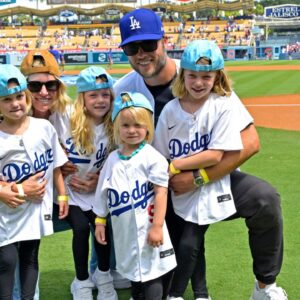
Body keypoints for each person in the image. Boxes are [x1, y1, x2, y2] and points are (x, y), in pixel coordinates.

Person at [114, 8, 287, 300]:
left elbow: (250, 141)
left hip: (211, 177)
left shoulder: (199, 71)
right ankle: (118, 269)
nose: (141, 54)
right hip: (161, 187)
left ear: (164, 41)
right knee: (162, 281)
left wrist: (199, 177)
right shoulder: (124, 89)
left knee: (265, 199)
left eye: (148, 45)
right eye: (132, 47)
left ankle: (264, 286)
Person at [154, 39, 244, 299]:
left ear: (217, 76)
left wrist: (176, 165)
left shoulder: (223, 104)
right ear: (183, 75)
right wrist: (167, 170)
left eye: (206, 76)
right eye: (192, 75)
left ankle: (175, 294)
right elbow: (160, 151)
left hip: (210, 185)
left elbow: (216, 154)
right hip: (178, 190)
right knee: (193, 241)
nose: (198, 82)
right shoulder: (171, 109)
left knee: (189, 241)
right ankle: (202, 293)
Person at [93, 91, 177, 300]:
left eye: (138, 125)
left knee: (153, 273)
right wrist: (100, 221)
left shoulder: (152, 157)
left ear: (148, 126)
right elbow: (102, 193)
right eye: (126, 125)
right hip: (124, 230)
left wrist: (157, 227)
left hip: (149, 227)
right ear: (116, 128)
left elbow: (161, 193)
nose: (132, 131)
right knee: (133, 271)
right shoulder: (113, 159)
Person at [0, 64, 69, 299]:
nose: (15, 103)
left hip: (33, 211)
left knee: (30, 258)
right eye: (6, 99)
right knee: (7, 261)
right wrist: (11, 191)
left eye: (19, 96)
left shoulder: (44, 127)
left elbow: (56, 166)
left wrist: (62, 195)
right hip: (5, 212)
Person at [53, 66, 117, 300]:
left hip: (95, 190)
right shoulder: (65, 115)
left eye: (105, 95)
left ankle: (103, 274)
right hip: (67, 190)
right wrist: (58, 160)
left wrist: (100, 179)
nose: (100, 100)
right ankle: (81, 281)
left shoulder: (114, 123)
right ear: (82, 98)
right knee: (80, 228)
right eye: (93, 95)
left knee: (103, 226)